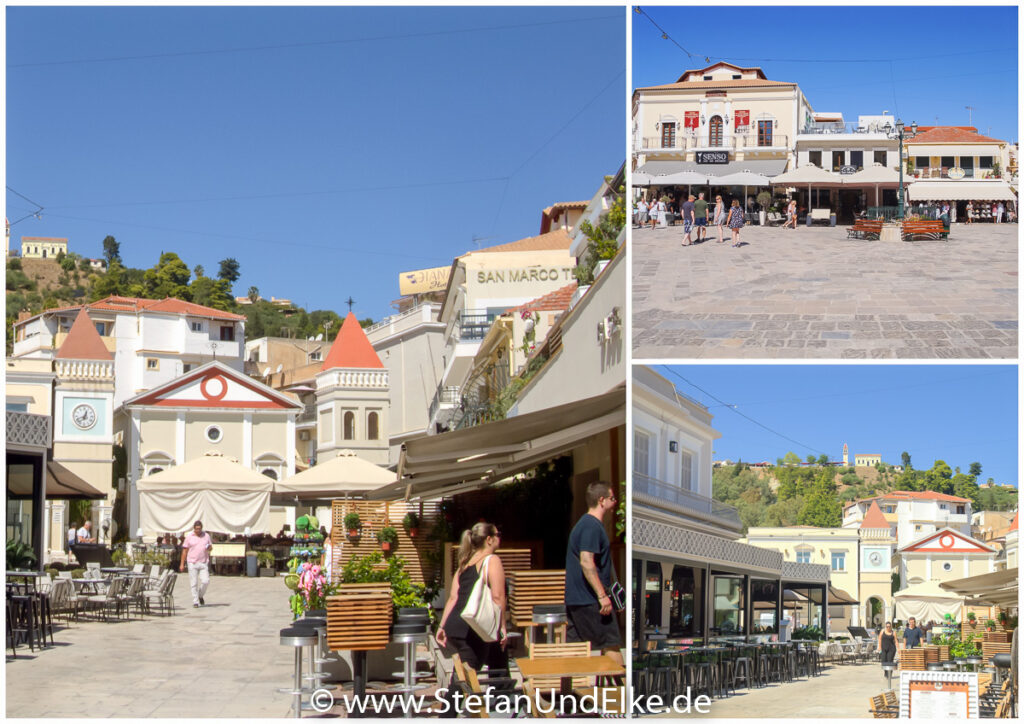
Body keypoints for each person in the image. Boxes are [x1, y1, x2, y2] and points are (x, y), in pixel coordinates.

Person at [565, 481, 622, 667]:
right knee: (611, 645)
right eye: (613, 498)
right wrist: (602, 595)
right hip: (590, 600)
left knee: (575, 650)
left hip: (577, 599)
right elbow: (587, 561)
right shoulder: (591, 526)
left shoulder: (584, 524)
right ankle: (622, 693)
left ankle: (568, 692)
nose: (615, 503)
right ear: (602, 500)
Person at [436, 522, 508, 672]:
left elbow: (453, 598)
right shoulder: (492, 560)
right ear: (489, 539)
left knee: (473, 672)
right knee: (464, 681)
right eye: (498, 535)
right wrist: (502, 627)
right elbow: (498, 596)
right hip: (474, 627)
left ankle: (500, 692)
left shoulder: (464, 565)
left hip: (456, 626)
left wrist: (442, 626)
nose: (499, 538)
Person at [180, 520, 213, 608]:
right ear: (194, 529)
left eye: (199, 529)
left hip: (203, 562)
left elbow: (210, 547)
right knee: (193, 582)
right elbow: (185, 550)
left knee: (206, 581)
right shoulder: (189, 536)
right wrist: (182, 564)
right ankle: (195, 601)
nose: (198, 530)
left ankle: (200, 595)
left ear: (201, 528)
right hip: (192, 562)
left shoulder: (206, 536)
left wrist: (209, 548)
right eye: (196, 529)